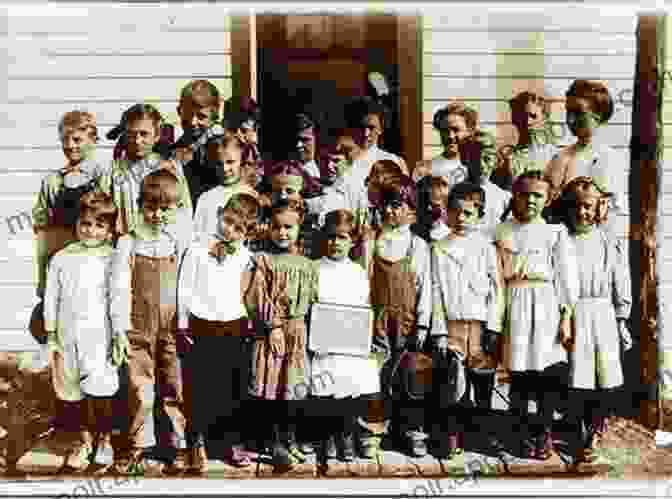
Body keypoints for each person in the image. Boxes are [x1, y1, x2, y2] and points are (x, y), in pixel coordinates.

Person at [108, 169, 193, 476]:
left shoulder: (180, 242)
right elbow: (119, 287)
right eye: (151, 207)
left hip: (172, 325)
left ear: (176, 208)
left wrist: (184, 321)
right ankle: (137, 446)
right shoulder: (129, 242)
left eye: (165, 208)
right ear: (140, 205)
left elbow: (187, 284)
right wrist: (120, 327)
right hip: (137, 326)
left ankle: (178, 444)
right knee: (140, 388)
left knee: (174, 384)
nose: (157, 215)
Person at [495, 171, 579, 460]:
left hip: (546, 302)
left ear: (547, 199)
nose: (530, 200)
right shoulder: (502, 230)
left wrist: (566, 316)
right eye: (524, 194)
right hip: (514, 301)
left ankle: (543, 433)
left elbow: (566, 278)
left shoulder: (555, 232)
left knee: (547, 374)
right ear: (514, 196)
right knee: (519, 374)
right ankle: (518, 433)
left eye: (537, 195)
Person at [177, 192, 260, 471]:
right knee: (200, 386)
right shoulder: (197, 250)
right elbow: (185, 288)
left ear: (248, 233)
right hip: (202, 325)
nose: (230, 230)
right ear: (220, 215)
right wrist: (182, 322)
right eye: (227, 221)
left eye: (239, 228)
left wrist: (250, 321)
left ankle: (231, 441)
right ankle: (196, 441)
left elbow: (248, 294)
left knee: (233, 388)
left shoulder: (247, 257)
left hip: (234, 326)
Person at [556, 177, 632, 464]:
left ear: (598, 207)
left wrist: (622, 319)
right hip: (574, 312)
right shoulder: (562, 239)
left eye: (587, 207)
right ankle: (578, 430)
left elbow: (619, 279)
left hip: (602, 313)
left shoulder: (607, 240)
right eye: (575, 207)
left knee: (603, 378)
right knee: (577, 379)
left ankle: (596, 432)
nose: (582, 213)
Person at [43, 192, 121, 471]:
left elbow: (119, 298)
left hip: (99, 335)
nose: (91, 231)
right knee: (71, 391)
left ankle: (104, 440)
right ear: (77, 223)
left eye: (100, 226)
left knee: (100, 391)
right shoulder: (62, 258)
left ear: (110, 229)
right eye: (86, 224)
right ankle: (83, 440)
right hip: (67, 335)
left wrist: (118, 334)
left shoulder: (113, 258)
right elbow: (51, 298)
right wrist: (51, 334)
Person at [429, 182, 504, 458]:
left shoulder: (485, 248)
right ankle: (452, 434)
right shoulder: (438, 248)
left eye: (468, 213)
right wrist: (438, 330)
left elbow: (496, 288)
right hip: (452, 325)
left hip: (479, 326)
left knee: (482, 383)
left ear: (480, 215)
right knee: (452, 383)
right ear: (447, 213)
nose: (461, 218)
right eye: (456, 212)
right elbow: (435, 290)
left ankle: (481, 434)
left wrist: (493, 326)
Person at [244, 199, 319, 469]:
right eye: (276, 227)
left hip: (298, 332)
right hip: (272, 332)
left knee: (292, 389)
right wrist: (273, 326)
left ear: (300, 228)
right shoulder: (263, 260)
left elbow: (313, 300)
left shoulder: (307, 265)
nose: (282, 233)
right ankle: (273, 442)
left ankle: (290, 439)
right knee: (272, 389)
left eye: (289, 227)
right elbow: (256, 296)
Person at [364, 179, 431, 458]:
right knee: (376, 373)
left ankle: (411, 430)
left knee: (410, 373)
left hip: (407, 320)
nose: (390, 211)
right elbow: (365, 281)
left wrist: (423, 323)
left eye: (397, 205)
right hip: (377, 319)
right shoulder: (374, 243)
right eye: (386, 206)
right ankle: (374, 430)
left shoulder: (417, 245)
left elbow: (424, 287)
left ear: (411, 210)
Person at [309, 209, 380, 462]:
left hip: (350, 341)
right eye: (330, 237)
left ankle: (347, 433)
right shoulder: (314, 268)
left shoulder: (358, 272)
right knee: (327, 384)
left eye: (342, 237)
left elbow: (363, 307)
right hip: (324, 339)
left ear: (351, 241)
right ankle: (328, 435)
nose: (335, 243)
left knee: (351, 382)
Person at [32, 111, 106, 344]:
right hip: (63, 261)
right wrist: (43, 280)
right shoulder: (52, 182)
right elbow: (43, 234)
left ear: (93, 140)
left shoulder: (104, 176)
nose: (70, 146)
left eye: (77, 140)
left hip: (95, 261)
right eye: (64, 140)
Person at [544, 80, 626, 238]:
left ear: (598, 115)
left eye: (578, 112)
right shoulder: (559, 157)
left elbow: (613, 215)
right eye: (568, 112)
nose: (570, 120)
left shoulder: (609, 159)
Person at [98, 104, 192, 236]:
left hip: (163, 244)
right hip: (124, 243)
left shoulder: (169, 167)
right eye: (131, 134)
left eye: (144, 134)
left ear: (157, 135)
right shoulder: (112, 170)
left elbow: (184, 211)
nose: (137, 141)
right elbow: (100, 212)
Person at [192, 134, 258, 243]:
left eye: (230, 162)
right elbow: (196, 234)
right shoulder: (206, 198)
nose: (224, 168)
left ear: (241, 160)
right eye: (219, 163)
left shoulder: (251, 195)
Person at [171, 80, 224, 209]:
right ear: (179, 111)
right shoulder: (176, 147)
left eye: (201, 116)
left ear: (214, 115)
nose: (193, 121)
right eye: (188, 114)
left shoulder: (220, 146)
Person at [493, 91, 560, 191]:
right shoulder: (505, 158)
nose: (528, 122)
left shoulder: (556, 156)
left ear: (544, 119)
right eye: (522, 116)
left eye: (533, 116)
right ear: (514, 119)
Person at [460, 130, 512, 239]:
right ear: (465, 159)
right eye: (475, 159)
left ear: (496, 162)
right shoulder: (455, 193)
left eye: (487, 159)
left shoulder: (504, 198)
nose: (481, 165)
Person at [412, 103, 474, 189]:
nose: (450, 136)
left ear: (469, 131)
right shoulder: (425, 169)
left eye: (456, 130)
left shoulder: (480, 167)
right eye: (445, 130)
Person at [344, 96, 408, 174]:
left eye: (371, 128)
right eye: (361, 127)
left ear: (381, 129)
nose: (366, 133)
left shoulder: (394, 162)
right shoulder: (339, 162)